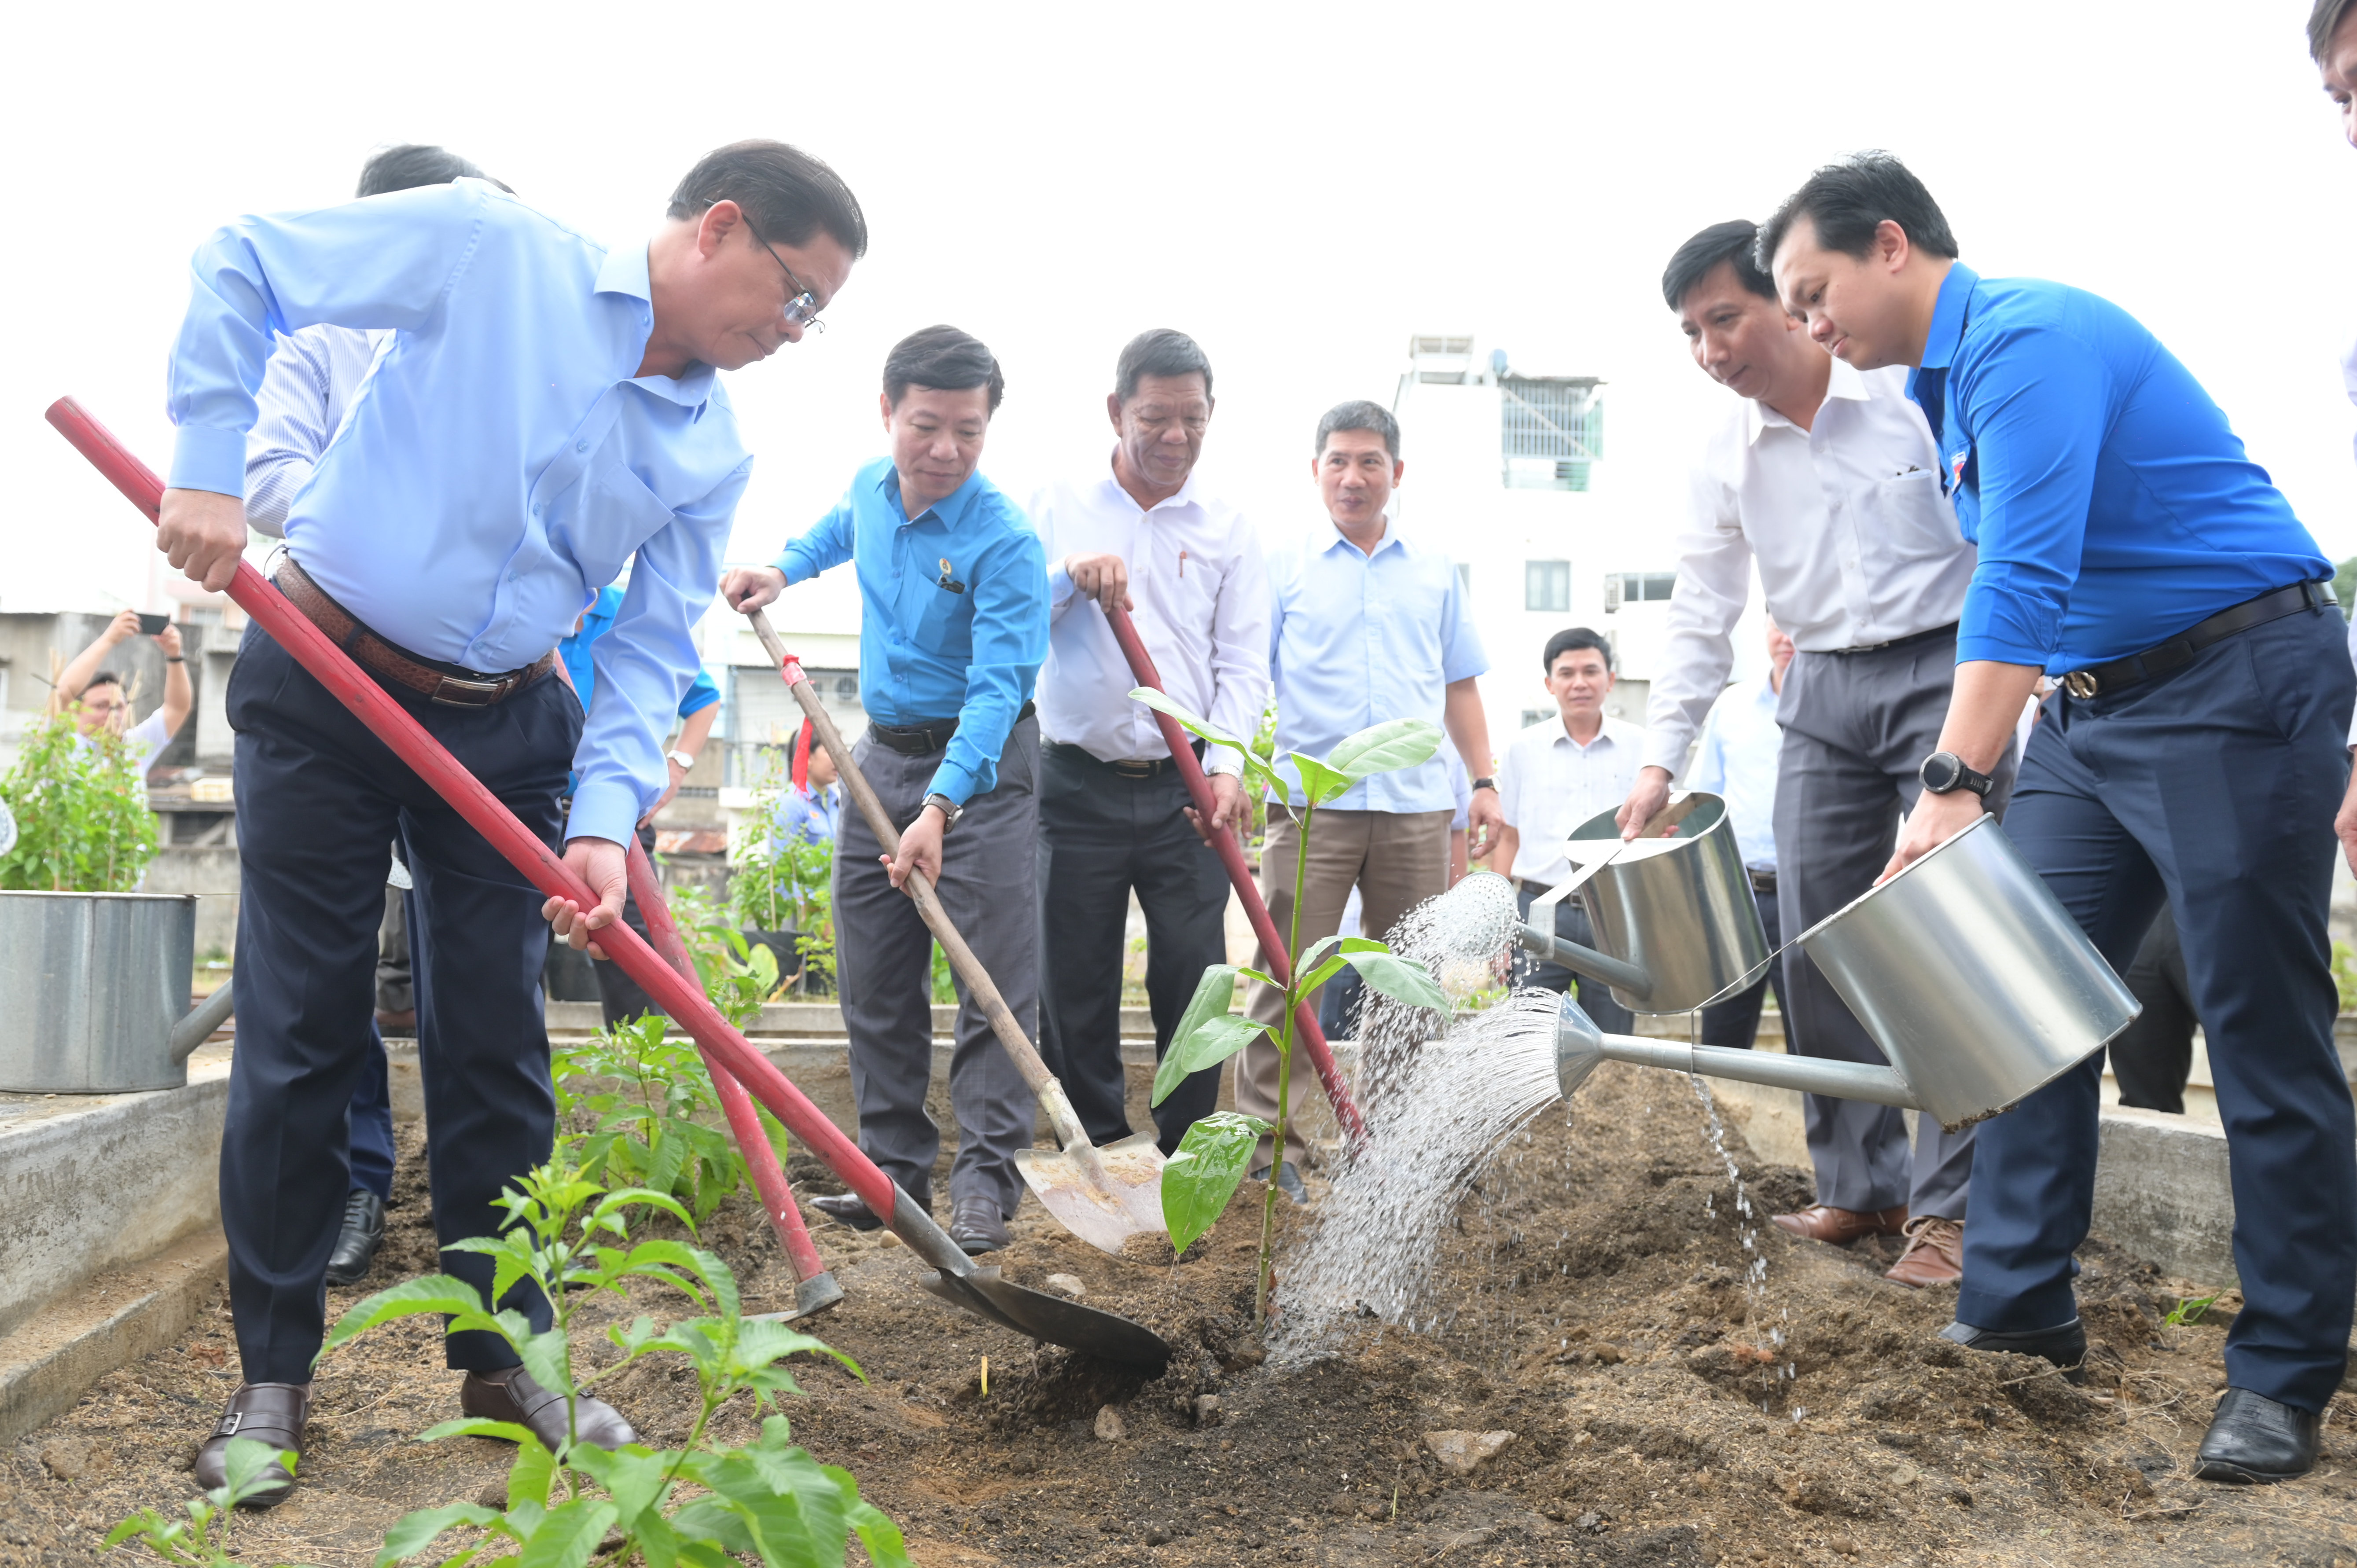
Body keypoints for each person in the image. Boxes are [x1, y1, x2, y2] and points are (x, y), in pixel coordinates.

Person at [156, 138, 865, 1503]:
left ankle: (505, 1355)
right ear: (719, 228)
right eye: (792, 295)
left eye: (813, 315)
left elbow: (655, 643)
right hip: (329, 673)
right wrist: (203, 468)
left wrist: (605, 815)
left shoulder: (710, 443)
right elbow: (245, 257)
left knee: (497, 1044)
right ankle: (273, 1376)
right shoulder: (493, 251)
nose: (792, 332)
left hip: (503, 716)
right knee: (303, 1026)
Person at [1764, 151, 2353, 1483]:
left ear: (1893, 244)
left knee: (2257, 1021)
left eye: (1815, 292)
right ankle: (2020, 1302)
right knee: (2018, 1001)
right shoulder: (1943, 391)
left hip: (2235, 680)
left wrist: (1953, 783)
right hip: (2098, 712)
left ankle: (2285, 1364)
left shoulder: (2026, 338)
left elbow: (2022, 571)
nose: (1811, 325)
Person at [1618, 218, 1995, 1290]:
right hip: (1820, 685)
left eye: (1724, 317)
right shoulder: (1722, 458)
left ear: (1788, 302)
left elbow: (1997, 536)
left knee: (1947, 928)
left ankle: (1951, 1214)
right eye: (1692, 332)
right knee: (1814, 935)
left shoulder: (1908, 396)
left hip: (1944, 662)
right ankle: (1860, 1183)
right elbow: (1700, 616)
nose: (1711, 350)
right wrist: (1662, 760)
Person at [719, 326, 1046, 1256]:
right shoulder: (872, 485)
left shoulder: (1005, 541)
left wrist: (939, 809)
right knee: (874, 976)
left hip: (981, 771)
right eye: (926, 426)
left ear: (988, 430)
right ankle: (891, 1174)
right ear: (888, 411)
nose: (945, 450)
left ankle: (985, 1182)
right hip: (880, 754)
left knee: (991, 985)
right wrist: (780, 568)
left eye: (968, 433)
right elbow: (838, 527)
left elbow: (996, 691)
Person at [243, 142, 496, 1293]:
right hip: (335, 675)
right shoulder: (319, 341)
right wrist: (394, 527)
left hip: (471, 690)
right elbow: (265, 482)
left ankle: (477, 1204)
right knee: (330, 972)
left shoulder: (500, 356)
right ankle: (353, 1180)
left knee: (475, 962)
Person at [1245, 401, 1500, 1197]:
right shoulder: (1282, 564)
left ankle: (1391, 1145)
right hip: (1311, 805)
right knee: (1289, 976)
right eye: (1338, 461)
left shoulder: (1434, 568)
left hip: (1417, 805)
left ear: (1397, 471)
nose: (1353, 477)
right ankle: (1269, 1147)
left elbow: (1459, 682)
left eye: (1370, 462)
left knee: (1412, 980)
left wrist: (1483, 781)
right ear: (1315, 469)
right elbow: (1249, 675)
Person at [1032, 329, 1270, 1157]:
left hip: (1187, 790)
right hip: (1075, 780)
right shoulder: (1058, 504)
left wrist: (1227, 766)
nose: (1176, 437)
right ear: (1116, 410)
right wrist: (1068, 578)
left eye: (1193, 419)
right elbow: (1014, 620)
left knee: (1193, 974)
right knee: (1075, 972)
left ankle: (1186, 1145)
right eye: (1156, 417)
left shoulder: (1230, 526)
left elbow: (1242, 660)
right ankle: (1097, 1142)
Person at [555, 583, 722, 1028]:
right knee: (514, 934)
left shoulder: (631, 612)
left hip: (613, 813)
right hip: (533, 802)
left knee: (625, 936)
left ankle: (641, 1060)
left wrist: (678, 765)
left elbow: (704, 699)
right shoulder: (536, 599)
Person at [1493, 629, 1643, 1038]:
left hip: (1614, 913)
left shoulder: (1642, 748)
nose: (1580, 682)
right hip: (1539, 910)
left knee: (1611, 1041)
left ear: (1610, 679)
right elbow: (1509, 836)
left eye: (1591, 671)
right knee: (1529, 1040)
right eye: (1567, 673)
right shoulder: (1521, 749)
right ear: (1550, 684)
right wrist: (1499, 925)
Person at [1689, 618, 1793, 1055]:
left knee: (1820, 1039)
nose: (1788, 637)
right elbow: (1703, 801)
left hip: (1809, 899)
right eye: (1780, 623)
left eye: (1799, 625)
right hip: (1739, 894)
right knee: (1722, 1041)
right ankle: (1718, 1125)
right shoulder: (1733, 705)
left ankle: (1819, 1127)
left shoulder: (1844, 703)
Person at [54, 610, 194, 790]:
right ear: (75, 710)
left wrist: (175, 655)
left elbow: (178, 707)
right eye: (101, 706)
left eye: (119, 706)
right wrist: (109, 639)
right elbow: (63, 693)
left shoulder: (133, 746)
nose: (113, 714)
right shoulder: (64, 743)